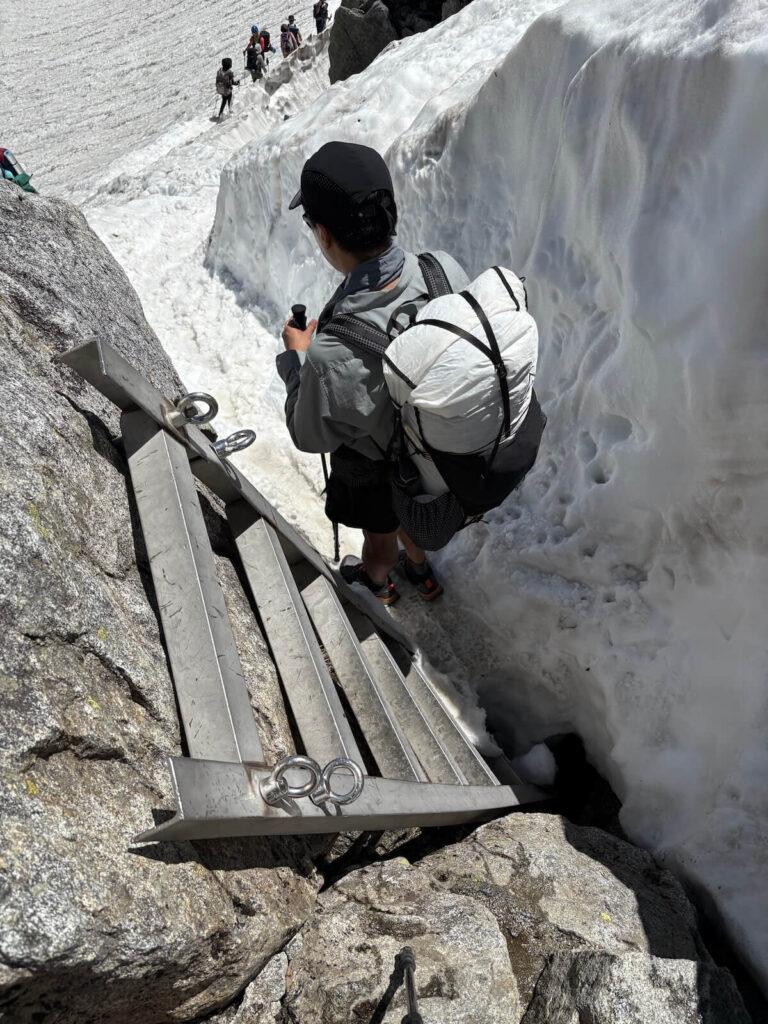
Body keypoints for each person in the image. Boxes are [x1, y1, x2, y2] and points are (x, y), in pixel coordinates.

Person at [278, 142, 471, 603]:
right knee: (410, 509)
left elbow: (308, 434)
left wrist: (298, 359)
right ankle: (421, 572)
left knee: (379, 536)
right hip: (435, 460)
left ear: (324, 234)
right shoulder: (442, 270)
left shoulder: (332, 353)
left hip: (375, 468)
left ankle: (378, 585)